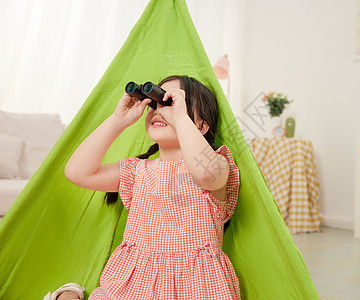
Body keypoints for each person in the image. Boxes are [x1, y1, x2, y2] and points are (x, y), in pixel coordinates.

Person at [48, 75, 240, 299]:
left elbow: (206, 174)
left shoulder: (216, 163)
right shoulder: (136, 171)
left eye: (171, 103)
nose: (160, 110)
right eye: (156, 103)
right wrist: (118, 120)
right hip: (134, 285)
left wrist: (179, 118)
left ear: (202, 125)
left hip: (195, 287)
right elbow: (77, 172)